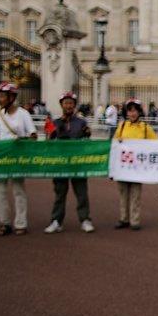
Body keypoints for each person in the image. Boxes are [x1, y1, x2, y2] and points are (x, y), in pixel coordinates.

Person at [0, 82, 37, 236]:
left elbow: (33, 136)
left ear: (11, 97)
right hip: (2, 159)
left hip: (17, 158)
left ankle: (21, 223)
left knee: (18, 190)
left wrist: (23, 142)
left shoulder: (23, 114)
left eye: (2, 96)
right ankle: (5, 222)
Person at [43, 92, 95, 234]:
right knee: (59, 193)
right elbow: (48, 144)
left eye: (71, 103)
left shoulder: (81, 122)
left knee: (82, 193)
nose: (68, 106)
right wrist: (49, 135)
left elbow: (87, 142)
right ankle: (56, 221)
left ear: (74, 105)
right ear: (61, 105)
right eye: (66, 103)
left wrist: (87, 134)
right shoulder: (55, 122)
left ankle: (85, 220)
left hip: (78, 163)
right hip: (60, 163)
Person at [114, 99, 158, 230]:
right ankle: (124, 218)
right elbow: (115, 143)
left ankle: (135, 220)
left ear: (139, 112)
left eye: (135, 110)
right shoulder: (122, 126)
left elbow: (155, 144)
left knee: (135, 194)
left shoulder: (145, 128)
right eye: (129, 110)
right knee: (123, 193)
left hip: (137, 168)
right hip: (123, 167)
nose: (132, 113)